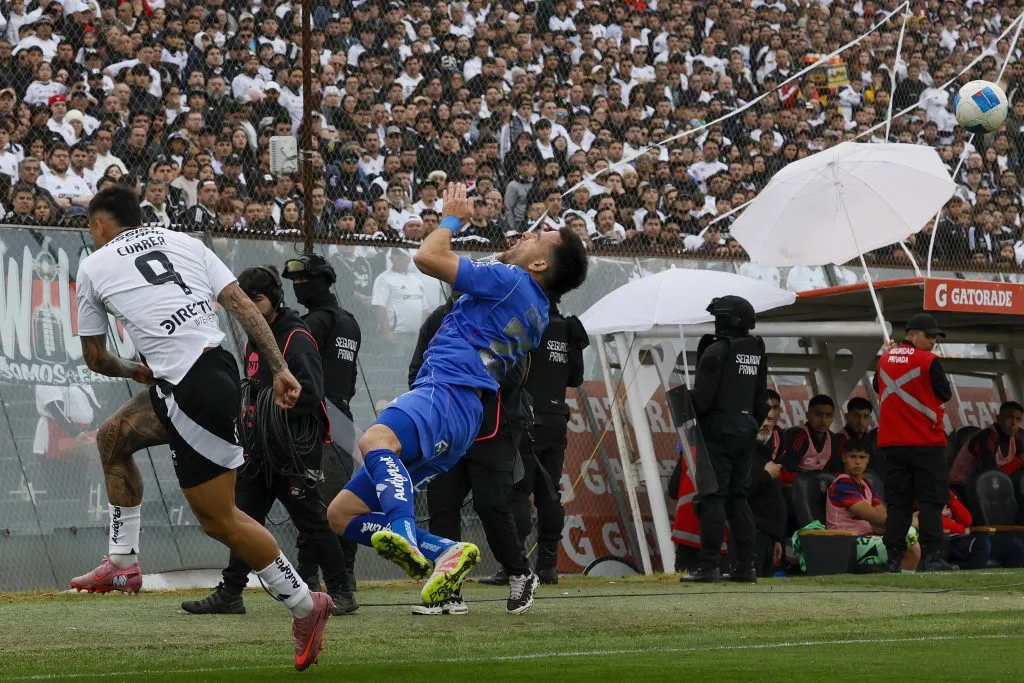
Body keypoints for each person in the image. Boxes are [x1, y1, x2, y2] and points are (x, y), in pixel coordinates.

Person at [68, 186, 333, 671]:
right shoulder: (183, 242)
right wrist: (279, 369)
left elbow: (94, 357)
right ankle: (123, 565)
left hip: (189, 391)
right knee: (114, 437)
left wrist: (133, 370)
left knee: (219, 519)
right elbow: (244, 307)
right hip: (211, 373)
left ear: (100, 226)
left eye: (91, 227)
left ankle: (304, 604)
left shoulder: (94, 264)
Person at [325, 182, 588, 612]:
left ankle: (406, 535)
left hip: (447, 392)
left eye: (536, 237)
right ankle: (443, 552)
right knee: (341, 514)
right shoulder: (538, 310)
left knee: (374, 440)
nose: (524, 234)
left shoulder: (511, 281)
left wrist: (451, 217)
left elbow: (427, 257)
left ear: (539, 262)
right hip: (464, 416)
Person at [180, 265, 356, 618]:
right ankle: (231, 592)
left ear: (274, 297)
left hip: (292, 450)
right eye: (244, 300)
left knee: (311, 522)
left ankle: (341, 590)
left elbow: (312, 393)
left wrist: (271, 408)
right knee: (242, 517)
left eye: (256, 299)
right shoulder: (255, 339)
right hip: (259, 451)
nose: (249, 307)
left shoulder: (295, 336)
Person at [410, 294, 534, 614]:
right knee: (442, 505)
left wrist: (465, 379)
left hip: (492, 429)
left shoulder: (502, 321)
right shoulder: (438, 319)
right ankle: (449, 588)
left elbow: (514, 375)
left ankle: (520, 573)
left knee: (490, 503)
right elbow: (416, 371)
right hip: (448, 429)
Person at [281, 254, 362, 598]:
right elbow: (352, 378)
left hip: (318, 420)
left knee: (314, 502)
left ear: (323, 281)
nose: (299, 287)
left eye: (304, 281)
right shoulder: (350, 322)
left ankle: (311, 578)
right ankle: (341, 574)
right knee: (341, 501)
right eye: (295, 282)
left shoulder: (311, 324)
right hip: (343, 417)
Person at [683, 295, 769, 583]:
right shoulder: (756, 349)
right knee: (739, 498)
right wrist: (750, 424)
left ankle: (709, 566)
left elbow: (704, 400)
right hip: (747, 428)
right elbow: (761, 400)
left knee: (713, 497)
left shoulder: (716, 351)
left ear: (725, 320)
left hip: (719, 428)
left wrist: (684, 402)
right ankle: (746, 566)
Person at [505, 304, 588, 584]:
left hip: (527, 419)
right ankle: (548, 567)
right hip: (556, 420)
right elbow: (576, 378)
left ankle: (513, 567)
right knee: (550, 493)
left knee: (517, 491)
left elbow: (509, 370)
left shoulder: (527, 324)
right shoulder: (569, 328)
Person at [875, 313, 955, 572]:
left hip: (892, 443)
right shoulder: (929, 360)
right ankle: (933, 557)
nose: (933, 341)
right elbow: (945, 393)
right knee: (931, 501)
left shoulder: (884, 359)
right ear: (913, 334)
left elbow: (878, 387)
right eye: (929, 335)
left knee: (899, 503)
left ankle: (893, 559)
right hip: (925, 442)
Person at [825, 441, 921, 572]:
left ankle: (900, 582)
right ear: (844, 458)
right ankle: (903, 584)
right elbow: (876, 517)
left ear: (868, 459)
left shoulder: (866, 485)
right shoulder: (842, 485)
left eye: (862, 457)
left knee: (910, 536)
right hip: (846, 544)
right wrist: (909, 520)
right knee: (910, 543)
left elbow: (884, 513)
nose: (858, 462)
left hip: (864, 539)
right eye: (853, 457)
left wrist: (902, 521)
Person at [749, 407, 787, 578]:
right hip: (750, 534)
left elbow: (775, 500)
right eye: (761, 418)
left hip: (768, 537)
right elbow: (738, 491)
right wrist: (765, 475)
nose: (765, 424)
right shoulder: (742, 454)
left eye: (770, 419)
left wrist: (777, 537)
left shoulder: (767, 454)